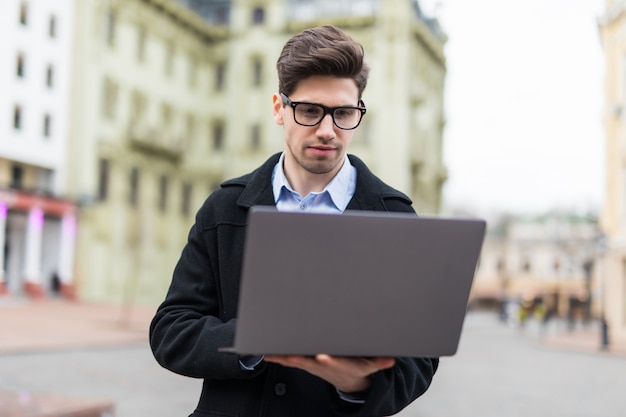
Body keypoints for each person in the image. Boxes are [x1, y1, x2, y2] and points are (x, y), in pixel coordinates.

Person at [149, 25, 439, 417]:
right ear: (277, 109)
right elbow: (171, 331)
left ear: (360, 113)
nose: (326, 130)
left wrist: (354, 380)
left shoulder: (395, 216)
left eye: (343, 113)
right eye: (309, 110)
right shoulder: (224, 208)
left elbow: (419, 359)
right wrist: (258, 341)